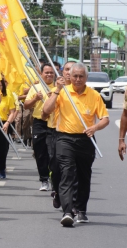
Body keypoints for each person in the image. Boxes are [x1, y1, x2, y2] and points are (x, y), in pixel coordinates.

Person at [43, 62, 109, 227]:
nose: (78, 79)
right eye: (75, 76)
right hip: (64, 138)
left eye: (81, 76)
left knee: (83, 176)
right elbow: (46, 110)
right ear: (69, 77)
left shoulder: (94, 95)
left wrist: (95, 127)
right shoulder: (62, 92)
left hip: (86, 140)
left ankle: (81, 210)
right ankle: (67, 211)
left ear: (86, 77)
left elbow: (105, 119)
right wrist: (57, 90)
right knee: (67, 173)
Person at [47, 60, 75, 208]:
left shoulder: (86, 92)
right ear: (63, 72)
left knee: (72, 170)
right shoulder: (56, 90)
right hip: (57, 133)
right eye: (67, 70)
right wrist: (57, 90)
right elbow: (46, 112)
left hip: (79, 135)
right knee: (56, 168)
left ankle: (74, 204)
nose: (70, 73)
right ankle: (57, 191)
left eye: (73, 70)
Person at [24, 63, 55, 191]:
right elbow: (26, 105)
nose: (49, 75)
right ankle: (44, 179)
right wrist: (36, 98)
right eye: (46, 72)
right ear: (41, 74)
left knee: (52, 152)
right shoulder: (35, 88)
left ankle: (54, 178)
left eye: (51, 73)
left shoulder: (59, 88)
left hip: (53, 123)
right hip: (39, 123)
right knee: (40, 152)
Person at [0, 78, 16, 180]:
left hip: (4, 124)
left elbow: (12, 112)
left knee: (3, 148)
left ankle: (2, 168)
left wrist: (8, 123)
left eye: (0, 86)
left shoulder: (8, 96)